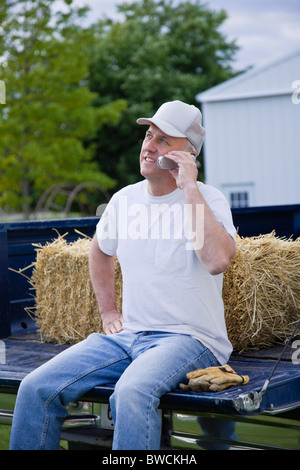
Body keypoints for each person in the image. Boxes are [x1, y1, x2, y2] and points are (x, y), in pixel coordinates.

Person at [9, 100, 236, 450]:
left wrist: (189, 186)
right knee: (36, 387)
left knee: (131, 393)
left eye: (164, 141)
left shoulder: (208, 198)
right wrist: (108, 312)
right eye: (149, 135)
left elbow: (218, 260)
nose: (149, 146)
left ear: (187, 153)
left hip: (189, 339)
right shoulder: (124, 200)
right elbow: (99, 250)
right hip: (128, 337)